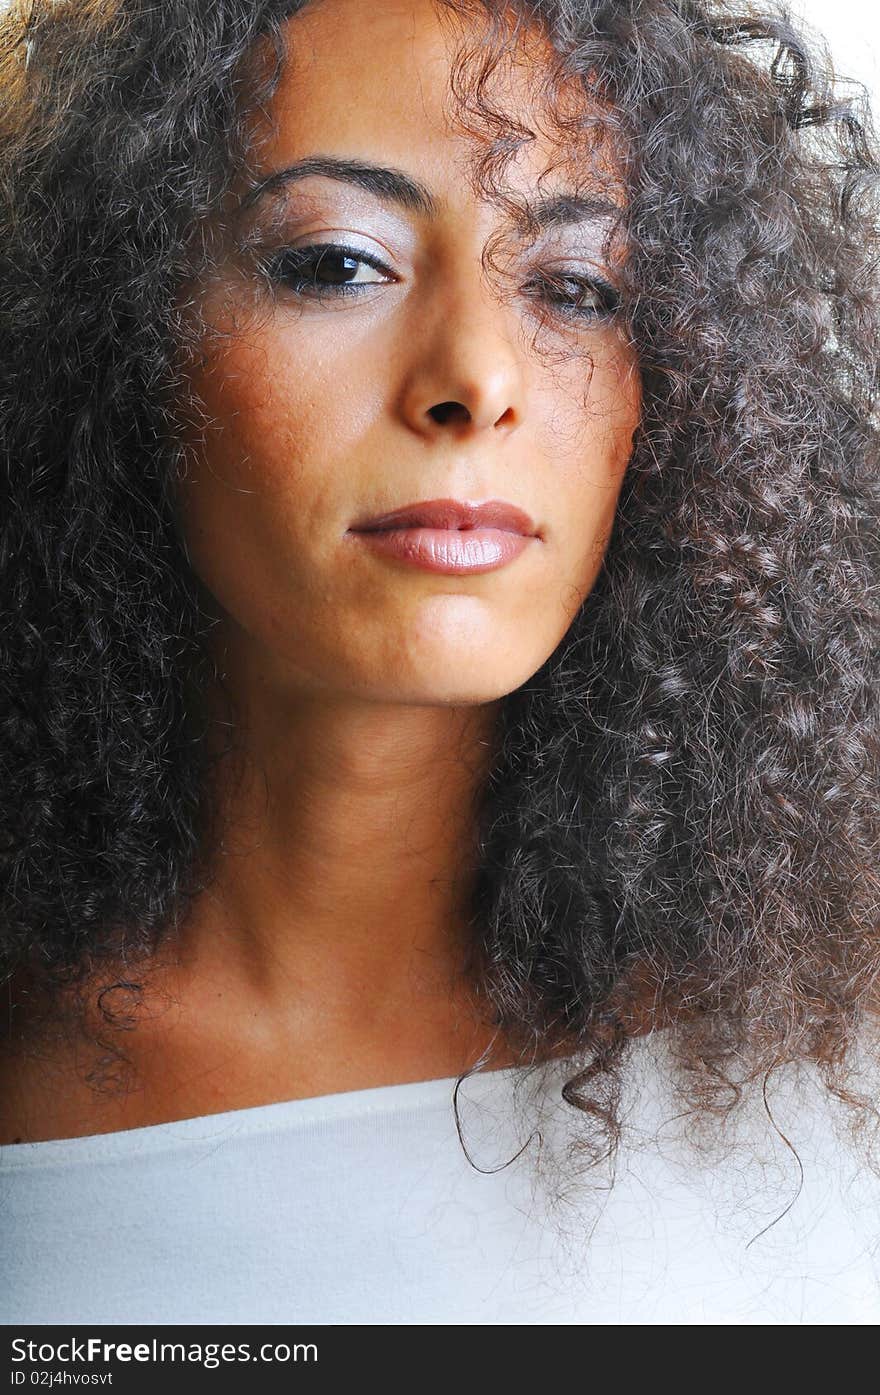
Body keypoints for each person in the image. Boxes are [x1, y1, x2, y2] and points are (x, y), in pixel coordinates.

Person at [0, 0, 878, 1324]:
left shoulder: (830, 1049)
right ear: (125, 341)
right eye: (336, 265)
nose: (477, 375)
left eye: (579, 288)